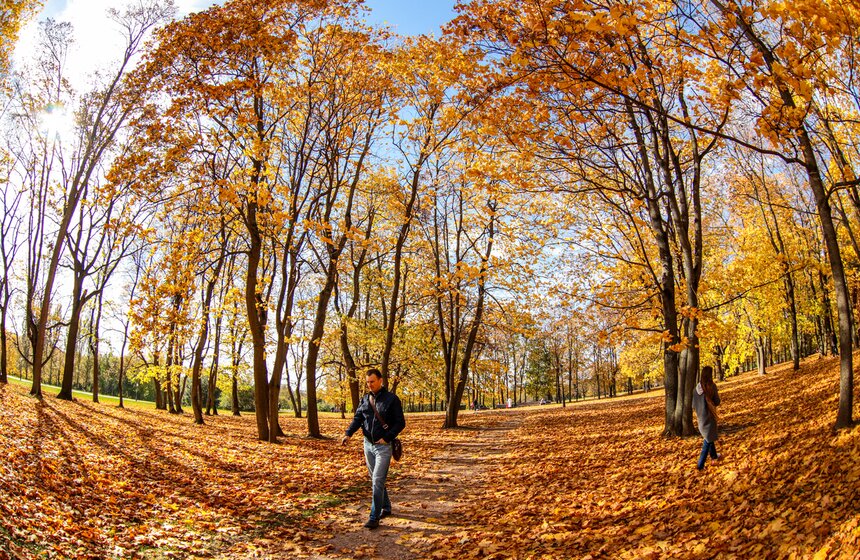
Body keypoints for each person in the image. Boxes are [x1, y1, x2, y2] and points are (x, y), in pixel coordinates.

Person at [341, 368, 405, 529]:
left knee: (377, 479)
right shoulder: (365, 399)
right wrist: (348, 434)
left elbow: (400, 422)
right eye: (368, 382)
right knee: (376, 479)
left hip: (383, 446)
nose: (370, 385)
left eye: (372, 382)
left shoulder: (392, 399)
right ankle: (387, 507)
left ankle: (374, 517)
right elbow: (358, 419)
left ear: (380, 380)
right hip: (367, 445)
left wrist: (387, 437)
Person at [693, 365, 721, 470]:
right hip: (709, 418)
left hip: (701, 418)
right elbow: (717, 401)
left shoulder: (695, 389)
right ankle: (700, 465)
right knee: (707, 440)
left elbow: (693, 405)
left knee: (709, 437)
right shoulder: (711, 386)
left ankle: (714, 455)